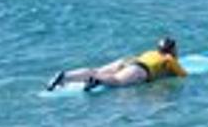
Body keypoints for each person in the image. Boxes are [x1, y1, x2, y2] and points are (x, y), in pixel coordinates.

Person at [48, 36, 189, 91]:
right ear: (172, 49)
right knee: (117, 81)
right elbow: (183, 75)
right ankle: (96, 81)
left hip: (128, 61)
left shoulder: (151, 52)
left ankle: (66, 76)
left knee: (96, 69)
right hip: (139, 69)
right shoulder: (169, 59)